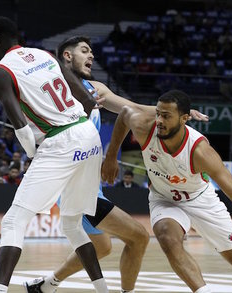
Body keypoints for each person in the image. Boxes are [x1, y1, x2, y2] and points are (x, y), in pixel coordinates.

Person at [25, 36, 209, 293]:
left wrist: (176, 115)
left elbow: (131, 107)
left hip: (90, 184)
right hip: (72, 185)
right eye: (84, 51)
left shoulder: (95, 88)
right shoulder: (56, 94)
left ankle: (45, 286)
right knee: (139, 237)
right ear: (67, 56)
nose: (91, 56)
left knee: (102, 247)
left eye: (91, 52)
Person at [101, 90, 232, 293]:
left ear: (184, 119)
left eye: (166, 116)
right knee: (167, 238)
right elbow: (124, 114)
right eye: (158, 113)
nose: (159, 120)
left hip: (200, 199)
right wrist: (111, 155)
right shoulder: (145, 127)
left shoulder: (200, 152)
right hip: (163, 198)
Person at [0, 16, 109, 293]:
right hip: (88, 135)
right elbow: (87, 100)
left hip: (60, 141)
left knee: (14, 220)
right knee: (72, 224)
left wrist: (33, 153)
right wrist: (78, 132)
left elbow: (21, 127)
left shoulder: (0, 72)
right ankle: (103, 291)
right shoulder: (43, 54)